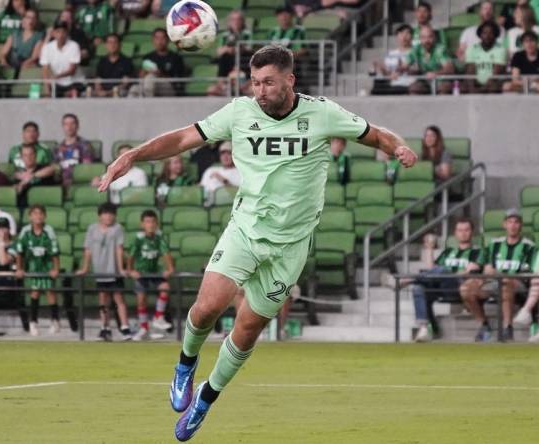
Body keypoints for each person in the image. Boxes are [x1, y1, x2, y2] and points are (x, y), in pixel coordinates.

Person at [98, 44, 417, 441]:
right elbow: (184, 138)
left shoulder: (322, 113)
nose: (260, 91)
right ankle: (185, 364)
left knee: (247, 329)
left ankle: (205, 400)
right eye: (254, 83)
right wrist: (134, 155)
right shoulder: (239, 112)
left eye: (268, 82)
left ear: (289, 80)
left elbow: (374, 134)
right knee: (206, 308)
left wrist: (398, 147)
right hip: (246, 230)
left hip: (291, 245)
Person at [460, 209, 535, 342]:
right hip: (491, 282)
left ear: (521, 225)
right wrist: (477, 272)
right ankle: (484, 325)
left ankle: (507, 328)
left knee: (505, 282)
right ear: (504, 224)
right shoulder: (494, 244)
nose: (513, 225)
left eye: (516, 222)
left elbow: (526, 275)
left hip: (517, 284)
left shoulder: (528, 246)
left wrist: (496, 273)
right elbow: (479, 263)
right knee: (465, 288)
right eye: (510, 222)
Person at [409, 218, 484, 342]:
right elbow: (431, 270)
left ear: (472, 232)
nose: (463, 233)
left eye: (466, 230)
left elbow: (469, 271)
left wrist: (449, 273)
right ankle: (424, 328)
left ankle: (410, 279)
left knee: (444, 271)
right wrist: (429, 249)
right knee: (418, 288)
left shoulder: (478, 252)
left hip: (460, 288)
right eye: (460, 230)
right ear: (455, 233)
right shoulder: (449, 252)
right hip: (442, 286)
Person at [76, 203, 132, 341]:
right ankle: (104, 327)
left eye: (111, 214)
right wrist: (85, 268)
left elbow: (119, 249)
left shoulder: (118, 229)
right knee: (103, 299)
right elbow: (87, 249)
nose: (108, 216)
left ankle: (125, 327)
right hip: (99, 270)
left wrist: (120, 269)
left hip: (113, 270)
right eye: (105, 213)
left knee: (119, 299)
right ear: (100, 215)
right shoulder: (92, 229)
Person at [128, 210, 174, 341]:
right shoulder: (138, 239)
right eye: (147, 222)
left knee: (165, 287)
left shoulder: (159, 238)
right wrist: (130, 270)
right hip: (141, 273)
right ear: (142, 224)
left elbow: (166, 253)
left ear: (157, 224)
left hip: (154, 273)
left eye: (153, 222)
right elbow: (130, 256)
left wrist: (170, 269)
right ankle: (144, 328)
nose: (151, 225)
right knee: (141, 300)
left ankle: (158, 317)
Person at [15, 205, 61, 336]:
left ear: (45, 216)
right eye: (34, 214)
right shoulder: (25, 231)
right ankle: (33, 322)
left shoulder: (49, 231)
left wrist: (56, 268)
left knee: (50, 292)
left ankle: (55, 320)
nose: (38, 216)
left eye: (40, 213)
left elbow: (55, 252)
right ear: (30, 216)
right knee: (34, 293)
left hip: (46, 266)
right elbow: (19, 251)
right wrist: (19, 268)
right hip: (33, 266)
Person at [132, 28, 186, 97]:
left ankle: (148, 105)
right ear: (153, 40)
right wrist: (143, 73)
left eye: (162, 38)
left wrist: (160, 75)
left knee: (151, 77)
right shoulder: (148, 57)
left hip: (168, 88)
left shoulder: (175, 58)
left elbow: (177, 81)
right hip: (147, 85)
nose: (160, 41)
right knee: (134, 89)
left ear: (168, 40)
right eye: (157, 38)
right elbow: (139, 78)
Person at [40, 21, 85, 98]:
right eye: (58, 32)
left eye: (63, 32)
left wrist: (57, 76)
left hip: (74, 82)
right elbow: (45, 70)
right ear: (53, 33)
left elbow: (72, 70)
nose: (61, 35)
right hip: (57, 84)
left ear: (67, 33)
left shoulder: (74, 46)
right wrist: (47, 92)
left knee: (75, 92)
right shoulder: (47, 48)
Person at [406, 26, 454, 95]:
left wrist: (435, 73)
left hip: (441, 80)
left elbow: (450, 68)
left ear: (434, 38)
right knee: (414, 88)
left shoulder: (440, 49)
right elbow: (404, 66)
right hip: (424, 81)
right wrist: (398, 70)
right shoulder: (416, 49)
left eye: (430, 37)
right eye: (423, 37)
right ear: (420, 39)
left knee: (444, 87)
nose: (427, 40)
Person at [464, 21, 507, 94]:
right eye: (484, 33)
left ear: (496, 35)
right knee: (462, 87)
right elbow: (470, 71)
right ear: (480, 35)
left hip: (494, 84)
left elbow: (495, 75)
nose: (487, 36)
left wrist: (482, 90)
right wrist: (472, 89)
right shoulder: (472, 49)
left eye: (491, 33)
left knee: (494, 87)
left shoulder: (500, 50)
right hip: (476, 84)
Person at [54, 113, 95, 188]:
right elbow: (54, 167)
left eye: (72, 123)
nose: (69, 127)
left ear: (77, 126)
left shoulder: (85, 145)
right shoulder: (58, 148)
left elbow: (86, 167)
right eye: (66, 124)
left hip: (78, 183)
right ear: (63, 127)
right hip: (60, 184)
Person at [371, 23, 413, 94]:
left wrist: (401, 70)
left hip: (407, 84)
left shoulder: (415, 53)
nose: (404, 36)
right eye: (401, 33)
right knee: (375, 88)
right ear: (397, 36)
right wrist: (380, 67)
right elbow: (387, 72)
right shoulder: (391, 54)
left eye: (407, 33)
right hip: (392, 83)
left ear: (412, 36)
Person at [199, 142, 241, 206]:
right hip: (206, 205)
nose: (225, 156)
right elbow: (200, 188)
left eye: (229, 153)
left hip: (226, 206)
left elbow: (237, 195)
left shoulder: (239, 172)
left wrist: (223, 180)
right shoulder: (210, 170)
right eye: (222, 153)